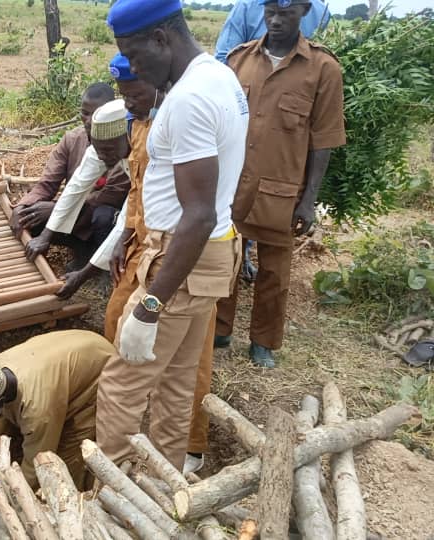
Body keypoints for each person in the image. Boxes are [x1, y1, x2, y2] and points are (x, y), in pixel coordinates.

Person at [97, 0, 246, 470]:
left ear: (161, 38)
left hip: (180, 259)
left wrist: (150, 305)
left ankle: (108, 495)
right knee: (177, 385)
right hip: (209, 257)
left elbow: (197, 214)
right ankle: (164, 487)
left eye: (135, 56)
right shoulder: (218, 77)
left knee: (120, 387)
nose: (134, 69)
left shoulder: (188, 100)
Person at [95, 54, 211, 474]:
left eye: (133, 93)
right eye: (123, 94)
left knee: (174, 369)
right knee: (119, 324)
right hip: (145, 247)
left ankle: (180, 452)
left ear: (155, 79)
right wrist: (124, 233)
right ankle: (160, 463)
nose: (127, 102)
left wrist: (154, 300)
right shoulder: (140, 121)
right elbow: (138, 191)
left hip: (178, 253)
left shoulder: (183, 120)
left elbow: (204, 207)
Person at [215, 0, 346, 368]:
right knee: (225, 259)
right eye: (270, 11)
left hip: (282, 191)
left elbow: (324, 139)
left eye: (285, 14)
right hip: (234, 186)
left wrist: (309, 200)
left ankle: (263, 342)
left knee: (275, 272)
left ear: (304, 11)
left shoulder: (323, 69)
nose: (275, 20)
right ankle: (220, 329)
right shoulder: (239, 60)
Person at [0, 330, 114, 490]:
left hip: (102, 370)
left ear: (0, 400)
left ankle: (81, 495)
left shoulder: (37, 410)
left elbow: (37, 463)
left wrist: (15, 493)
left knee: (66, 457)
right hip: (77, 345)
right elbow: (1, 413)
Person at [10, 83, 127, 269]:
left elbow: (109, 198)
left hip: (100, 217)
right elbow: (55, 184)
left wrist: (55, 209)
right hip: (75, 214)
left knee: (104, 216)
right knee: (32, 215)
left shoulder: (123, 147)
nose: (89, 121)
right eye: (85, 113)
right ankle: (80, 251)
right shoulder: (73, 140)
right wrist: (24, 207)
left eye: (95, 114)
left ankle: (99, 263)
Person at [45, 99, 134, 300]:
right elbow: (76, 187)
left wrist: (83, 275)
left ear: (127, 137)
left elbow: (129, 216)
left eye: (107, 151)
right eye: (98, 150)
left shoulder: (145, 155)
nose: (102, 157)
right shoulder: (105, 145)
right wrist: (46, 235)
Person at [214, 0, 330, 63]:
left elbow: (223, 59)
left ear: (305, 10)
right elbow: (226, 58)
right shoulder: (321, 10)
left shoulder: (246, 5)